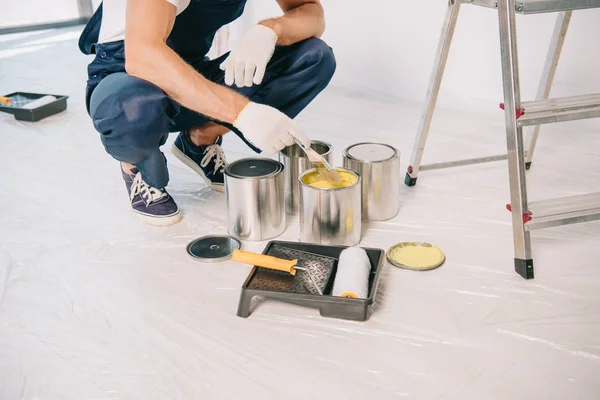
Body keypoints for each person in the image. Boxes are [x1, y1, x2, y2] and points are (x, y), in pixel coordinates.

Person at [78, 0, 336, 226]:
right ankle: (137, 168)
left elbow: (312, 13)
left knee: (313, 56)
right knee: (133, 106)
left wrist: (271, 30)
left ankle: (199, 138)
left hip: (190, 70)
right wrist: (243, 113)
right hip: (126, 74)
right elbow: (143, 56)